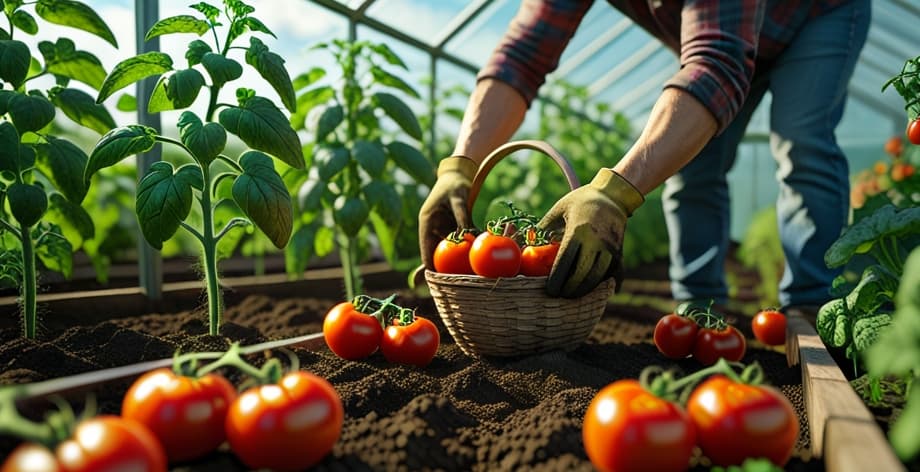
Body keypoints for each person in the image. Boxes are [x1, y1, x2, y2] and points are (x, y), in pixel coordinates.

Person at [418, 0, 870, 316]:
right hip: (723, 35)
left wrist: (613, 194)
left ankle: (810, 304)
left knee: (802, 142)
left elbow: (719, 63)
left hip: (814, 15)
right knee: (693, 171)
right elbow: (522, 56)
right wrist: (461, 164)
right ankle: (699, 307)